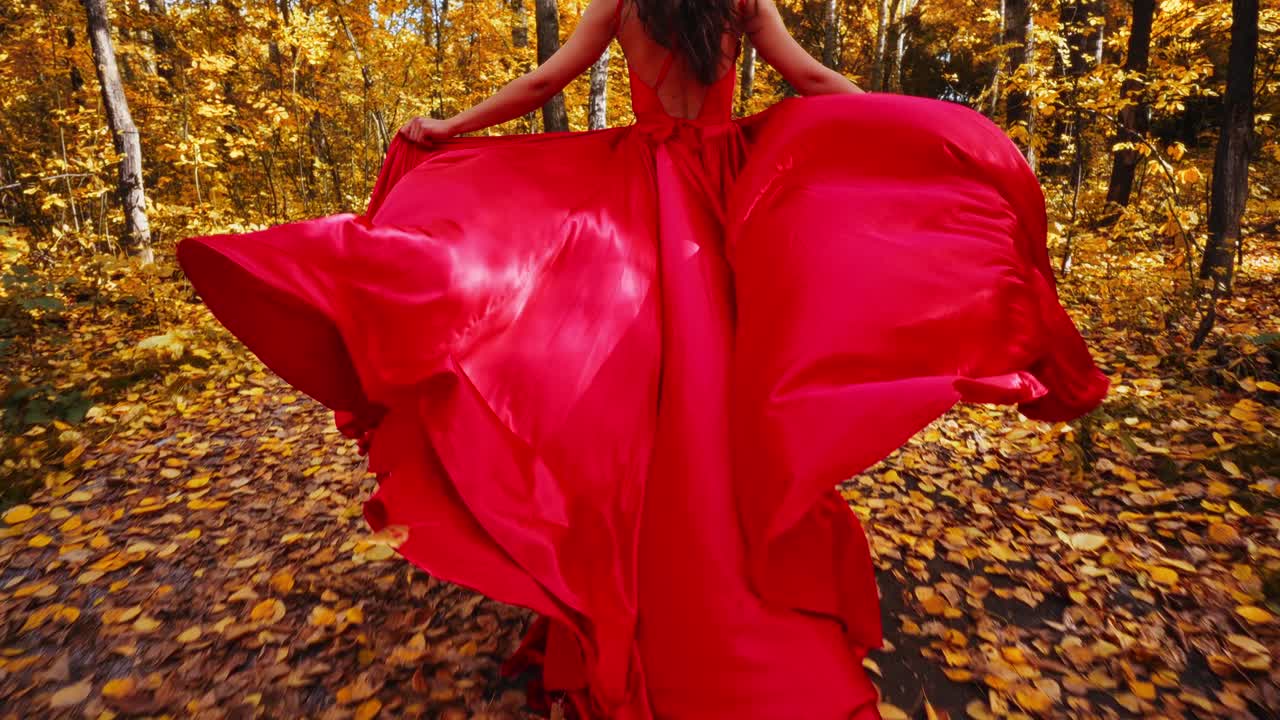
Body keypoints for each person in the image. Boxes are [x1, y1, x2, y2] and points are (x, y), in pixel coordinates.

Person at [176, 0, 1110, 716]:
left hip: (641, 189)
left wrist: (449, 129)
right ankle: (719, 564)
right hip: (727, 198)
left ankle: (627, 565)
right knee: (722, 390)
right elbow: (811, 77)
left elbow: (546, 83)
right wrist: (902, 131)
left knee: (633, 393)